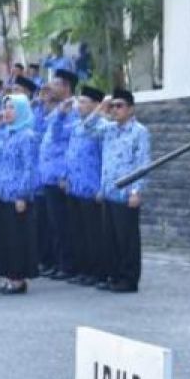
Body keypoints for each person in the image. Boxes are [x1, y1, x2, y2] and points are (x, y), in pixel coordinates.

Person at [88, 89, 150, 292]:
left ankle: (129, 279)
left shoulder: (139, 131)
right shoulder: (109, 129)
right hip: (109, 191)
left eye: (119, 105)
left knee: (127, 240)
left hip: (126, 194)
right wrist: (101, 106)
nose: (115, 110)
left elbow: (143, 163)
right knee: (110, 239)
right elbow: (87, 127)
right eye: (113, 106)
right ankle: (113, 276)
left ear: (131, 109)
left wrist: (136, 191)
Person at [0, 93, 40, 294]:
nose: (7, 112)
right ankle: (6, 274)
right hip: (1, 193)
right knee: (2, 237)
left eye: (12, 108)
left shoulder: (27, 136)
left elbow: (29, 168)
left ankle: (18, 278)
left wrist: (22, 194)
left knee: (17, 238)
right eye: (5, 107)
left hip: (18, 195)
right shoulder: (2, 134)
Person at [62, 85, 105, 286]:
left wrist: (102, 187)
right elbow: (70, 154)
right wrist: (65, 176)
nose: (79, 106)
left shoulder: (100, 126)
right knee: (77, 232)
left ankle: (97, 271)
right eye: (79, 102)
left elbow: (105, 159)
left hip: (92, 187)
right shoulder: (77, 126)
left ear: (97, 105)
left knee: (93, 234)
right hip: (75, 186)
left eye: (84, 102)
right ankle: (83, 269)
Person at [39, 70, 77, 279]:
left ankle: (67, 265)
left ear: (66, 87)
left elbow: (70, 144)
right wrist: (43, 103)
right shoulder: (56, 110)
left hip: (61, 176)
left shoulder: (74, 109)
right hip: (48, 175)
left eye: (54, 85)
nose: (49, 88)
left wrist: (64, 173)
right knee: (53, 225)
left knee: (64, 225)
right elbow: (44, 132)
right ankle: (56, 262)